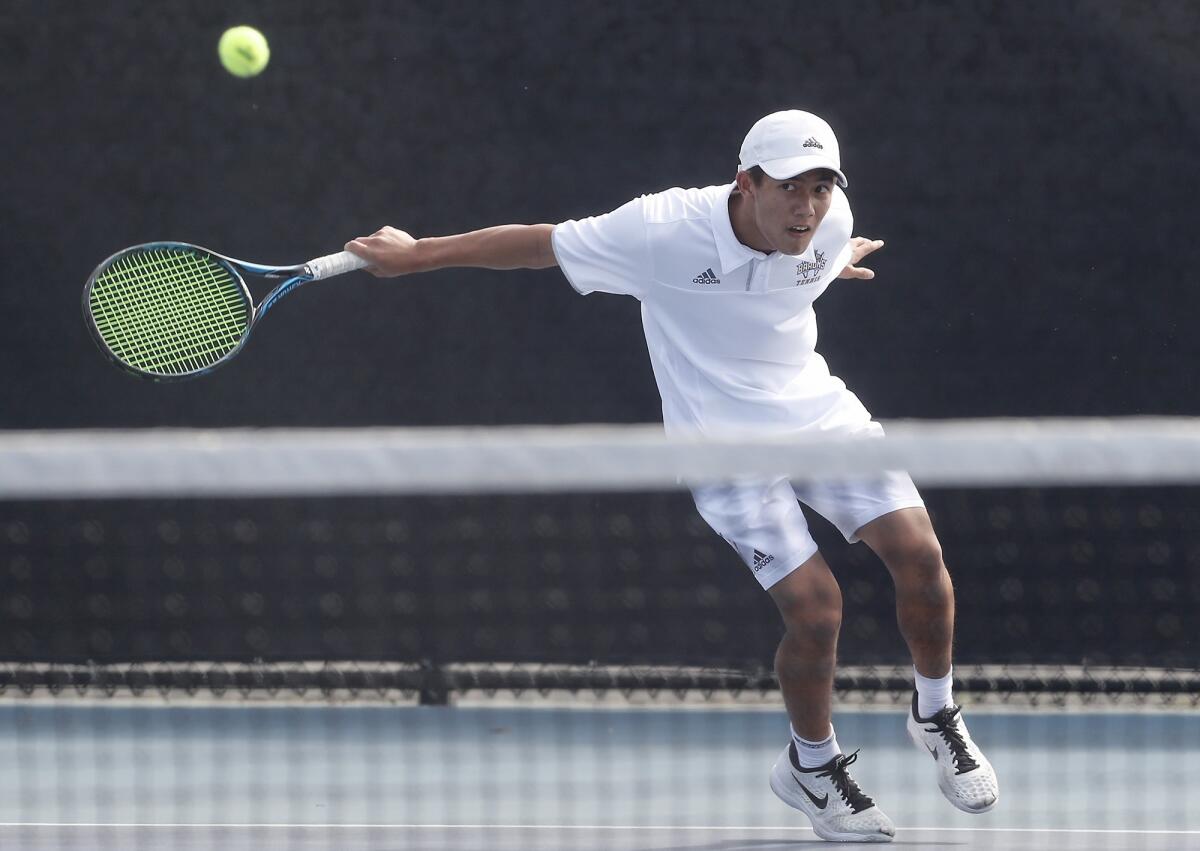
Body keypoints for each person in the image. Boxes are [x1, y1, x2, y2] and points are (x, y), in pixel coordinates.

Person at [345, 110, 999, 843]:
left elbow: (797, 262)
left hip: (816, 412)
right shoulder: (660, 230)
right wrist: (417, 253)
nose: (807, 206)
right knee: (817, 609)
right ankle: (811, 766)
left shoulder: (828, 220)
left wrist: (824, 262)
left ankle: (935, 713)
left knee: (921, 556)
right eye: (789, 188)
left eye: (820, 188)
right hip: (719, 443)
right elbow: (539, 245)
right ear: (745, 183)